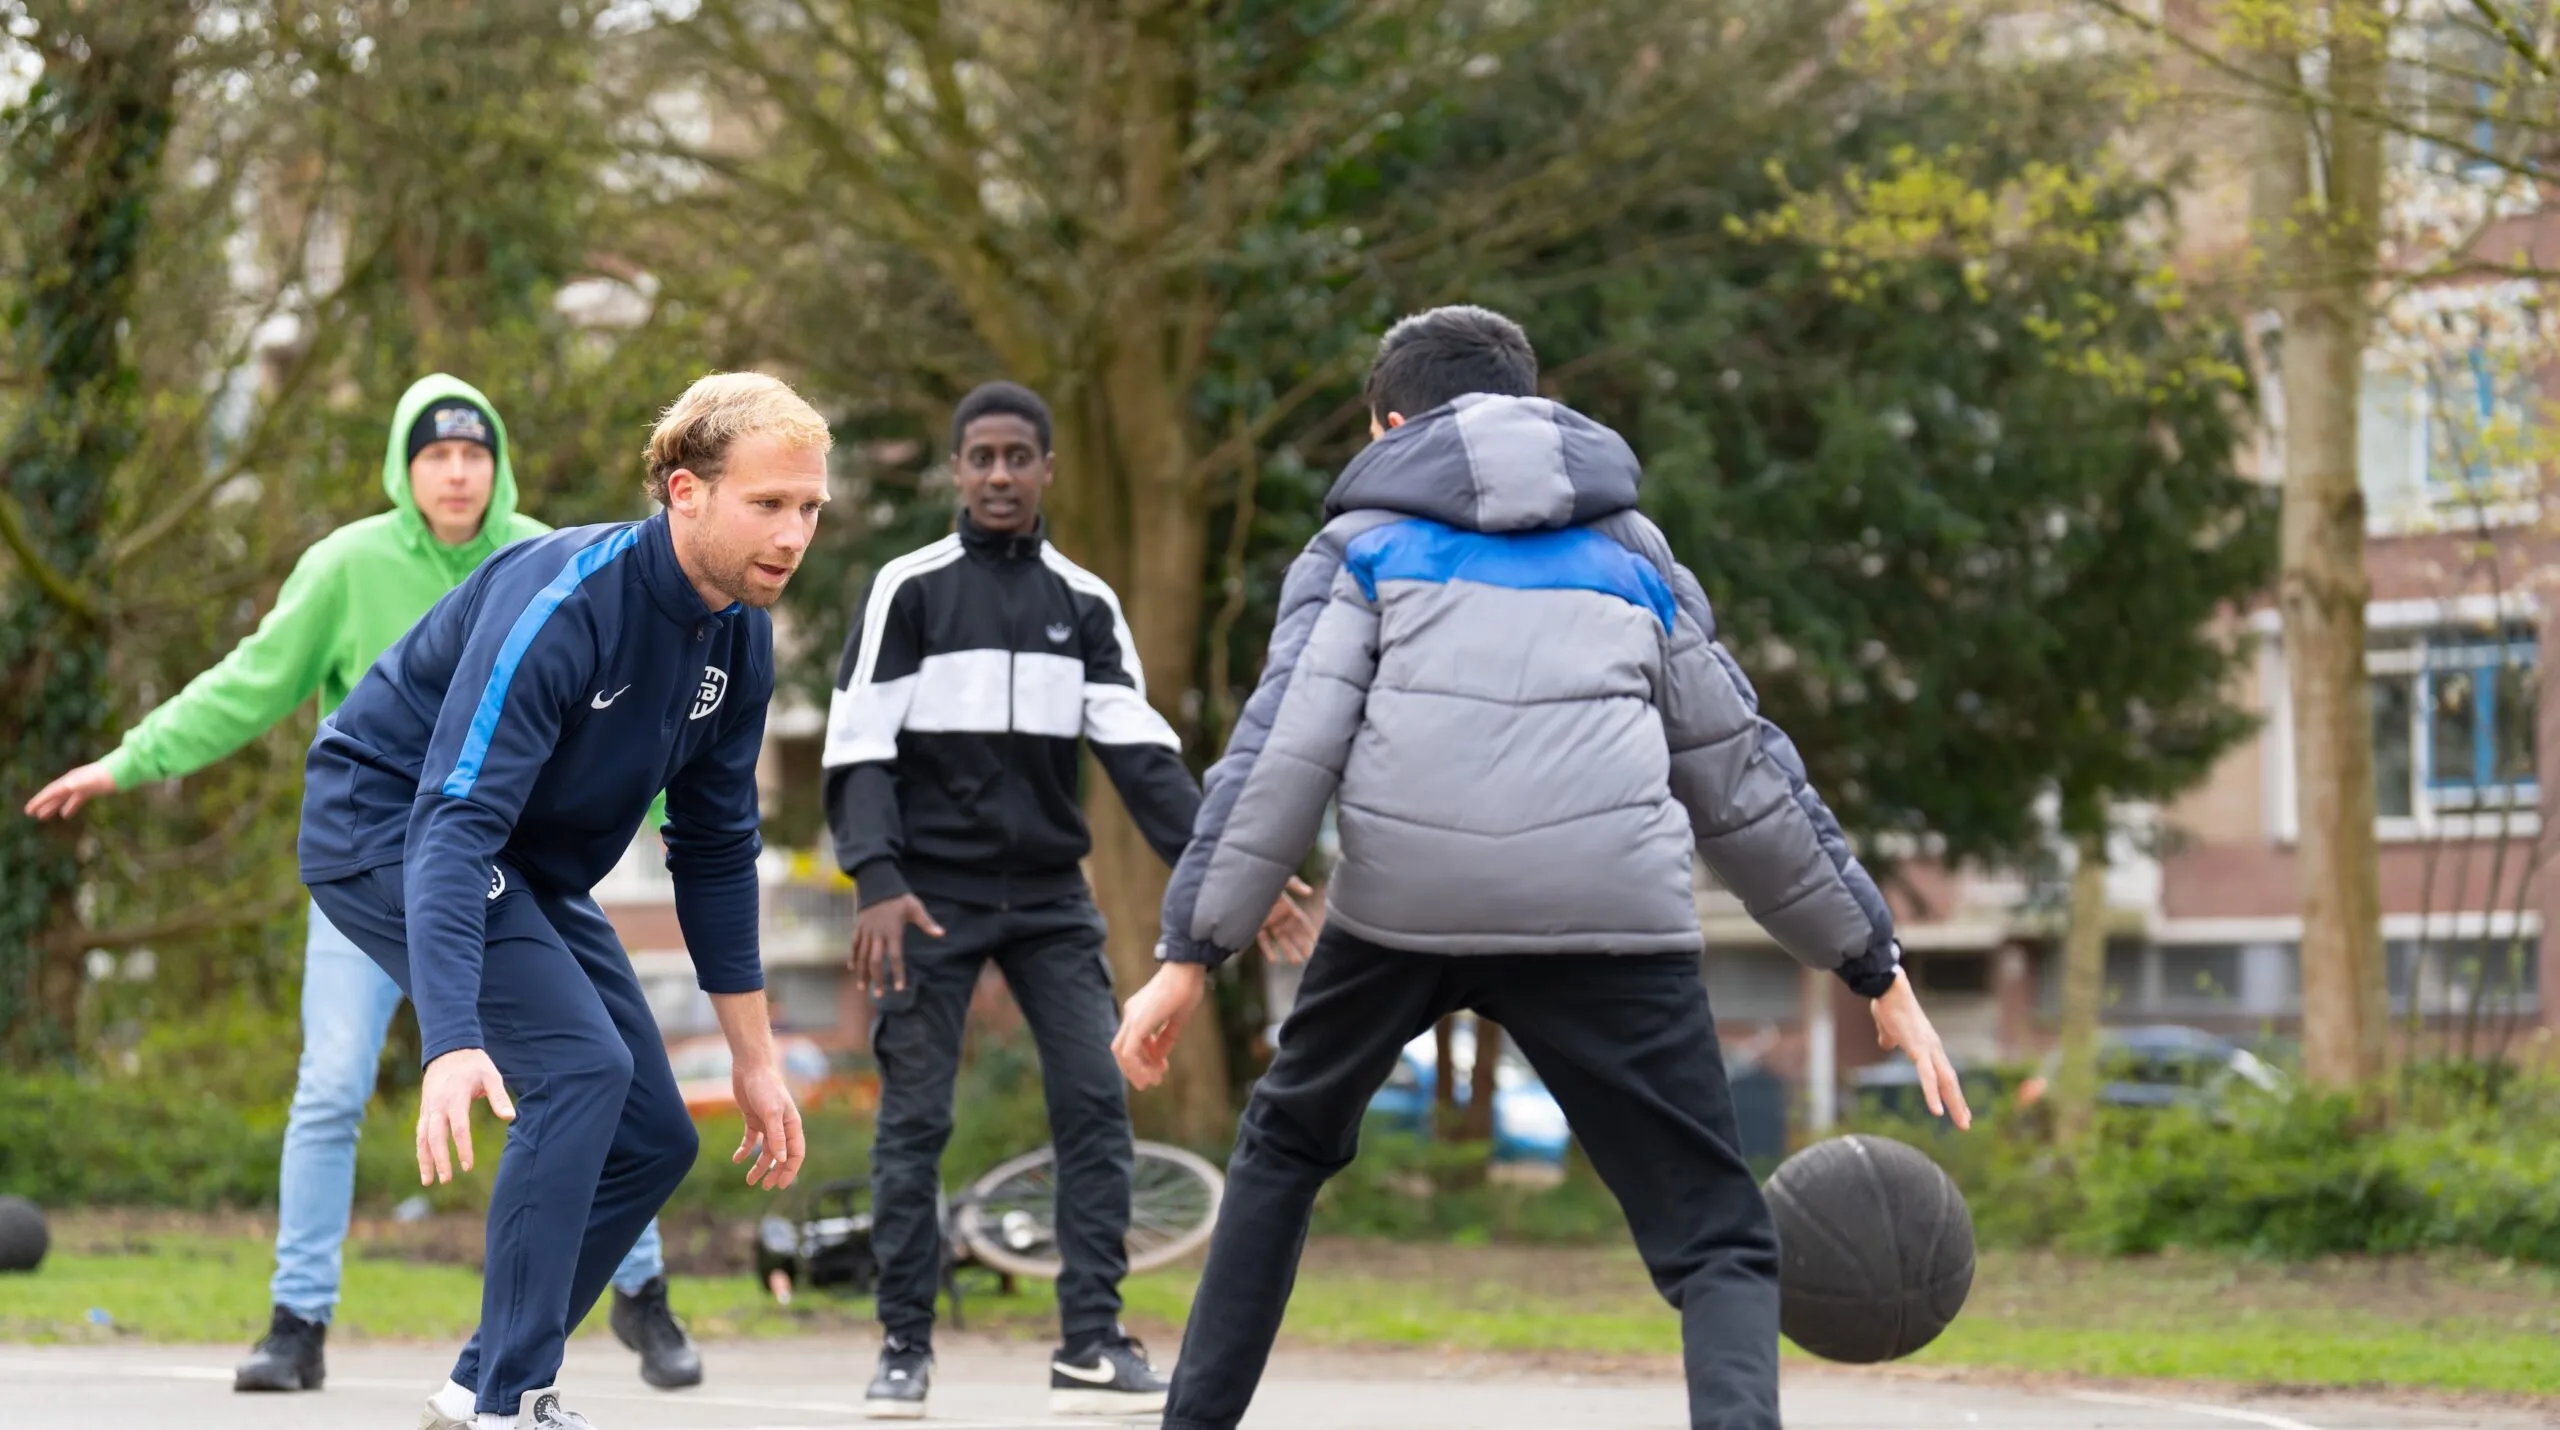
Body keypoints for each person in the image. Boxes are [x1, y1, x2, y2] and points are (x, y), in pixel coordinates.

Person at [1112, 306, 1976, 1430]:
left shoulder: (1358, 548)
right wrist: (1873, 963)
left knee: (1283, 1151)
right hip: (1610, 911)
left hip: (1406, 906)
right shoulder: (1635, 554)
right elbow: (1742, 775)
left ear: (1388, 427)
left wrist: (1189, 954)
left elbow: (1282, 758)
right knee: (1717, 1236)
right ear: (1532, 402)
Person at [21, 374, 705, 1395]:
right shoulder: (348, 565)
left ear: (499, 466)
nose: (458, 472)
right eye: (436, 455)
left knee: (593, 1067)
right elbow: (251, 680)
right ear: (402, 469)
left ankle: (639, 1291)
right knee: (335, 1081)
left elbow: (632, 730)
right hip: (381, 863)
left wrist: (679, 833)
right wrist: (129, 760)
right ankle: (297, 1319)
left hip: (504, 867)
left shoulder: (555, 557)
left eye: (475, 454)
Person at [295, 370, 826, 1430]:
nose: (793, 533)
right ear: (685, 492)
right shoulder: (568, 601)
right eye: (768, 502)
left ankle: (476, 1383)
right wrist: (453, 1038)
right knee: (581, 1068)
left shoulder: (740, 638)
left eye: (810, 507)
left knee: (654, 1135)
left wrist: (757, 1059)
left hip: (518, 857)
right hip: (388, 825)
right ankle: (511, 1399)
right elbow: (451, 821)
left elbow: (716, 849)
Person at [820, 381, 1314, 1420]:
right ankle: (903, 1346)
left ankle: (1090, 1342)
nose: (1000, 475)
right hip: (928, 898)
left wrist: (1236, 869)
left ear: (1047, 469)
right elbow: (857, 746)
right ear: (958, 470)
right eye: (982, 457)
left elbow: (1144, 762)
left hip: (1048, 896)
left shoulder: (1084, 603)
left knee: (1096, 1103)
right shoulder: (908, 589)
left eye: (1019, 457)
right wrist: (876, 877)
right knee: (915, 1119)